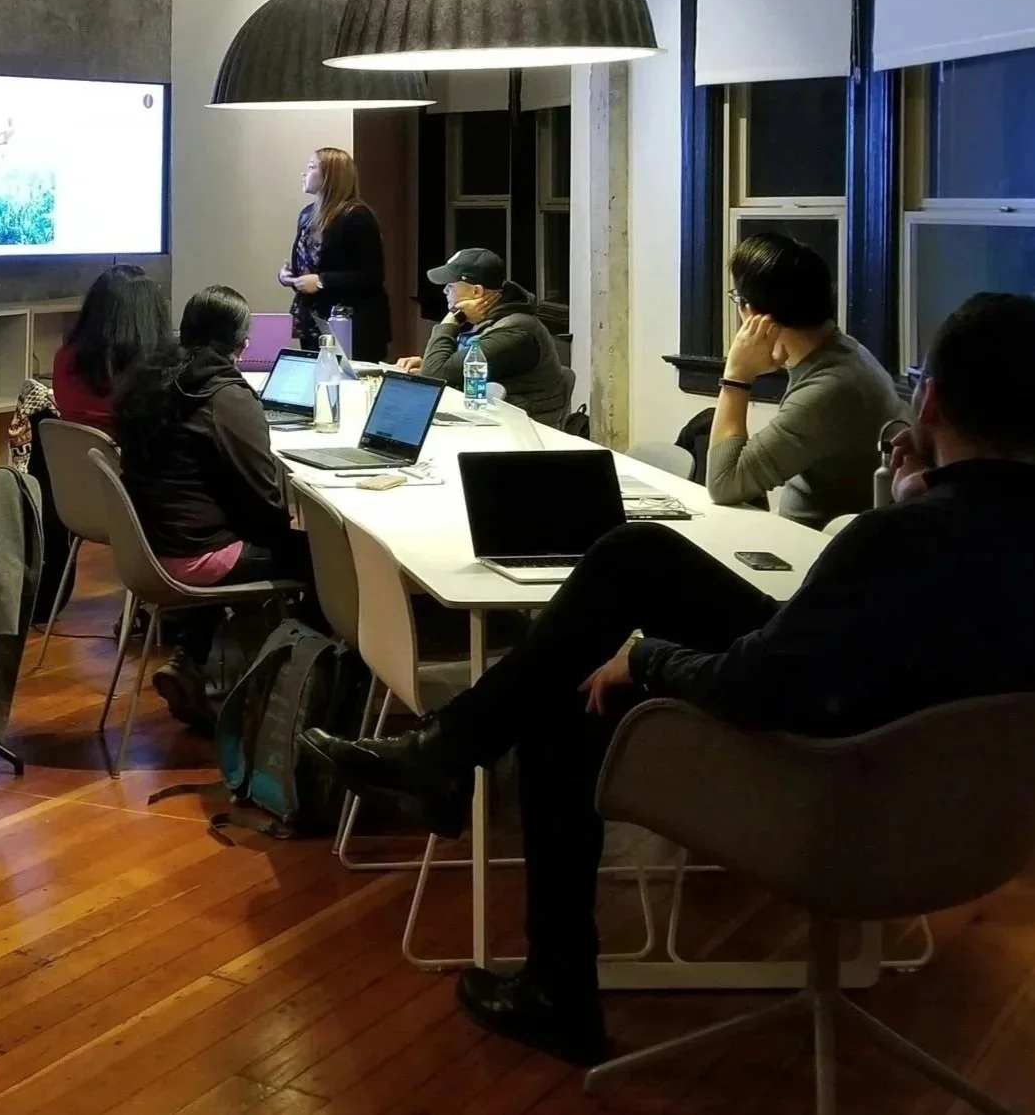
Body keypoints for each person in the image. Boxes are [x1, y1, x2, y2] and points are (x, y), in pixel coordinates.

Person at [302, 291, 1035, 1068]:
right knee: (637, 552)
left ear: (931, 399)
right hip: (959, 804)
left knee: (572, 701)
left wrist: (647, 659)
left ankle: (553, 978)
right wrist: (928, 496)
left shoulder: (897, 542)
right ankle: (450, 752)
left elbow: (754, 686)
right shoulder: (944, 532)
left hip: (828, 785)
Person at [115, 285, 317, 717]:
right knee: (326, 560)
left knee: (240, 526)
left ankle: (189, 658)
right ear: (242, 344)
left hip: (149, 546)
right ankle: (291, 693)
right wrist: (300, 519)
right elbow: (264, 502)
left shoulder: (149, 380)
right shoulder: (225, 395)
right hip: (197, 556)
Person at [706, 232, 906, 525]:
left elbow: (723, 484)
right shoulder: (846, 351)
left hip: (810, 550)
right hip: (806, 535)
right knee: (701, 428)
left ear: (754, 315)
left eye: (739, 299)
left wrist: (736, 377)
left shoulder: (829, 389)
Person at [399, 247, 568, 427]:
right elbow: (447, 371)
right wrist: (432, 363)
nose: (444, 291)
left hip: (520, 436)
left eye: (450, 286)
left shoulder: (515, 331)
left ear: (477, 292)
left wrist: (453, 317)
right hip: (489, 421)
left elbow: (434, 377)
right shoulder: (486, 321)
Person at [280, 147, 391, 361]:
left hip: (353, 323)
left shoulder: (357, 216)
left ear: (330, 176)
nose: (304, 173)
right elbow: (311, 266)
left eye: (311, 167)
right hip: (313, 319)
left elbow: (372, 275)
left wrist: (322, 281)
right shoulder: (306, 215)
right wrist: (288, 276)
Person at [51, 263, 173, 432]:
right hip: (131, 457)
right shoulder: (155, 375)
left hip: (74, 456)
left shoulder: (64, 359)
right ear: (152, 317)